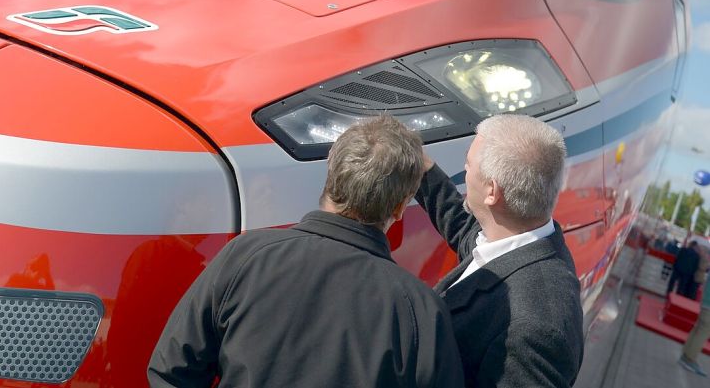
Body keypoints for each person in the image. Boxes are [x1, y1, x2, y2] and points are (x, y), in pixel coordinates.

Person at [148, 115, 464, 388]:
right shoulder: (419, 310)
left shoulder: (246, 257)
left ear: (331, 173)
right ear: (398, 208)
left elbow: (172, 370)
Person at [414, 114, 583, 387]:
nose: (464, 172)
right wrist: (421, 167)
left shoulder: (536, 331)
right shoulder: (519, 236)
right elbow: (465, 229)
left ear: (492, 191)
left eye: (468, 165)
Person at [680, 268, 710, 377]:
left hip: (705, 304)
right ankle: (690, 359)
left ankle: (685, 355)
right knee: (702, 334)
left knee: (697, 330)